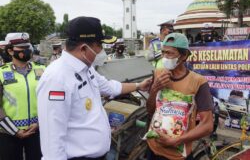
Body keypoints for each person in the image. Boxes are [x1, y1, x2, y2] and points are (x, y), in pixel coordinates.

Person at [37, 16, 152, 160]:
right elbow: (52, 141)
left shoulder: (86, 68)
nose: (102, 51)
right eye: (100, 45)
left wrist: (138, 85)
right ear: (84, 48)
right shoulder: (57, 78)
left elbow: (109, 87)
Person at [146, 32, 214, 160]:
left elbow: (207, 125)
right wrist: (155, 88)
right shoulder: (159, 73)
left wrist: (177, 141)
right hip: (153, 148)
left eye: (170, 53)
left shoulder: (198, 81)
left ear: (183, 56)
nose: (164, 57)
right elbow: (150, 111)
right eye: (163, 52)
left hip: (178, 154)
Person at [0, 32, 45, 160]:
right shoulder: (1, 73)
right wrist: (15, 131)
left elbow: (49, 101)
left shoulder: (42, 70)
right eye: (21, 48)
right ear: (10, 51)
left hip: (37, 131)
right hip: (8, 134)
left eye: (28, 47)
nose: (26, 51)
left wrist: (39, 124)